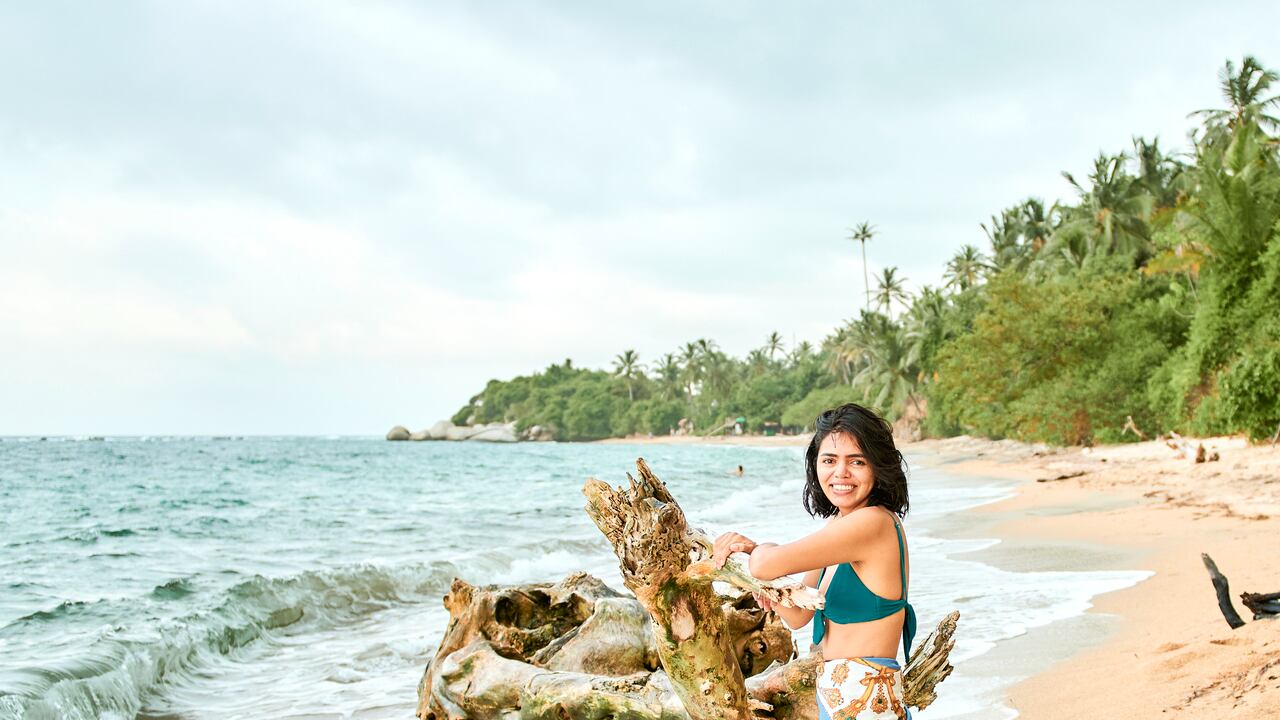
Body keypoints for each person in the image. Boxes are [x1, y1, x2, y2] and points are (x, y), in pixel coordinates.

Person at [712, 403, 915, 720]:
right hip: (839, 694)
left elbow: (766, 563)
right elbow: (799, 615)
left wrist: (756, 550)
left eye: (856, 461)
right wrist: (772, 592)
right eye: (830, 460)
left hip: (867, 697)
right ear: (815, 465)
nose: (840, 473)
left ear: (877, 466)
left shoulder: (872, 523)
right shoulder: (839, 523)